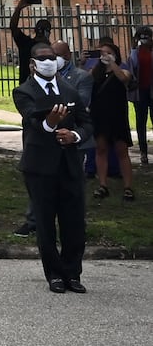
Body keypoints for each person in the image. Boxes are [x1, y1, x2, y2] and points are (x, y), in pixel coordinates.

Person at [14, 41, 93, 293]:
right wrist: (50, 123)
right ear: (32, 64)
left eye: (52, 57)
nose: (49, 62)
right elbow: (32, 120)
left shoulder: (69, 90)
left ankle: (73, 272)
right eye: (43, 58)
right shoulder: (23, 91)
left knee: (74, 222)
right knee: (46, 223)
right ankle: (55, 274)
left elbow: (87, 122)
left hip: (69, 164)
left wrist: (76, 136)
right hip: (39, 167)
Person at [87, 39, 136, 202]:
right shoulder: (96, 71)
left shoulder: (123, 69)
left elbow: (123, 78)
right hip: (100, 115)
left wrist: (113, 64)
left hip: (117, 116)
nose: (104, 56)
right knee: (101, 149)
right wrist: (87, 63)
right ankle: (102, 184)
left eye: (108, 53)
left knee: (122, 150)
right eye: (102, 53)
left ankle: (128, 187)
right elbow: (86, 80)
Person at [9, 0, 53, 84]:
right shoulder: (26, 43)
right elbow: (13, 27)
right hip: (28, 83)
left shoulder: (25, 43)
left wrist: (19, 9)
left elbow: (13, 27)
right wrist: (18, 8)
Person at [130, 26, 152, 166]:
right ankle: (143, 152)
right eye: (142, 37)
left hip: (151, 90)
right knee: (141, 122)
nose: (145, 40)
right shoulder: (135, 53)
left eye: (147, 37)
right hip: (140, 92)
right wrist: (134, 47)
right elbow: (133, 65)